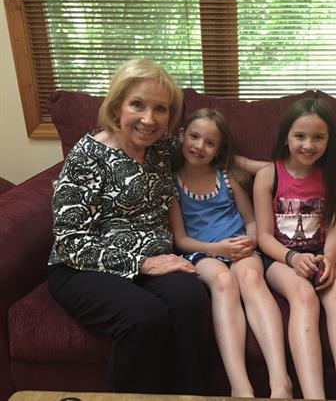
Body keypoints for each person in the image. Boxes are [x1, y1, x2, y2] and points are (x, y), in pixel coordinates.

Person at [47, 58, 209, 395]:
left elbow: (214, 152)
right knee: (143, 316)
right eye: (138, 104)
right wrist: (143, 263)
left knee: (189, 296)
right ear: (117, 105)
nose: (149, 119)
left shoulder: (162, 149)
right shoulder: (87, 155)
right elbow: (70, 241)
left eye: (160, 109)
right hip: (84, 266)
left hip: (151, 263)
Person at [169, 108, 292, 399]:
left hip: (241, 247)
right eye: (195, 137)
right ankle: (240, 387)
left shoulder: (227, 177)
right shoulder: (171, 184)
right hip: (202, 252)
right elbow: (180, 239)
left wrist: (250, 241)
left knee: (250, 277)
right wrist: (216, 250)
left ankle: (280, 381)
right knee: (223, 281)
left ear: (219, 149)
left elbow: (250, 220)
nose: (200, 146)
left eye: (210, 143)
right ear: (182, 136)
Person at [254, 98, 336, 401]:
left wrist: (329, 259)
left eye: (318, 137)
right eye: (300, 136)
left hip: (322, 253)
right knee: (304, 296)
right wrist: (293, 257)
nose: (308, 145)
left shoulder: (335, 178)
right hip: (281, 258)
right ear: (286, 137)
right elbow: (263, 237)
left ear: (329, 140)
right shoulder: (268, 176)